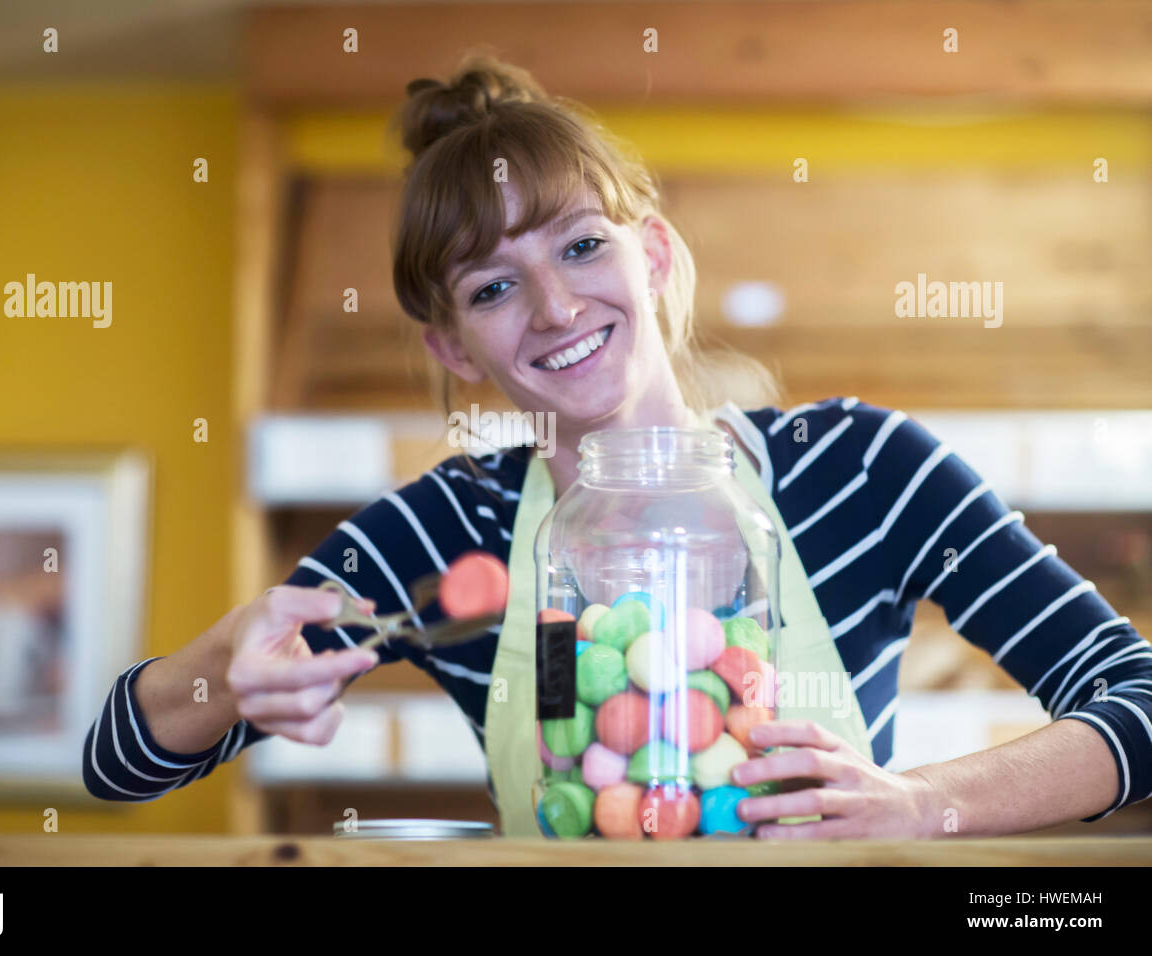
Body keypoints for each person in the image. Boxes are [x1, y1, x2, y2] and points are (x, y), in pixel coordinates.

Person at [84, 53, 1151, 838]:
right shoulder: (451, 529)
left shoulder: (860, 469)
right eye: (491, 286)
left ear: (651, 251)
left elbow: (1137, 698)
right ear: (451, 345)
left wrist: (923, 803)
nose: (553, 307)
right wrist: (229, 666)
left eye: (581, 245)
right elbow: (113, 763)